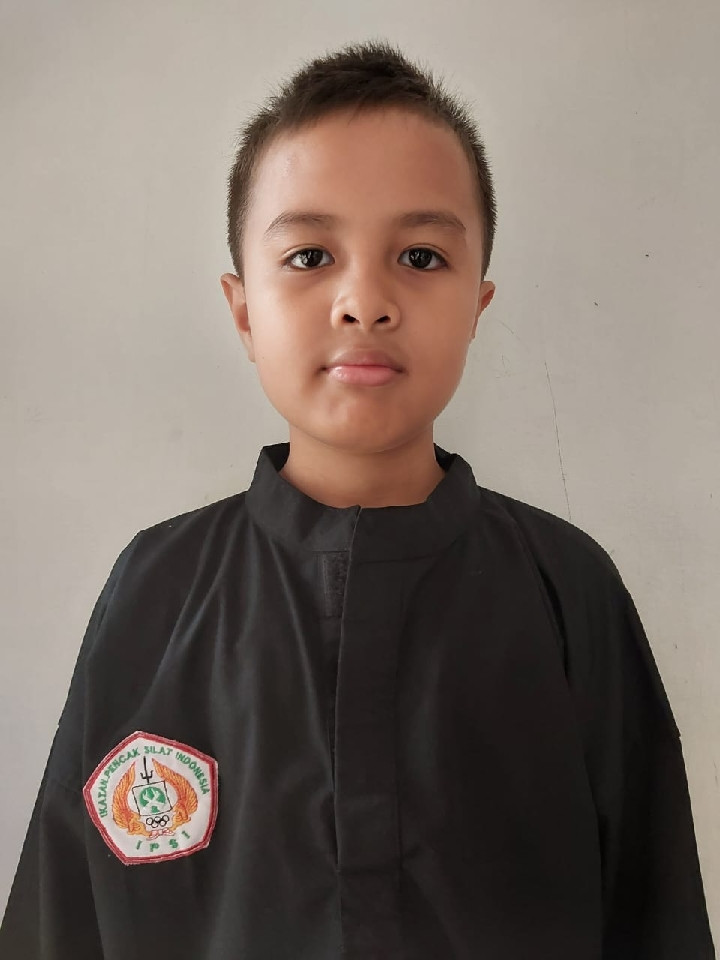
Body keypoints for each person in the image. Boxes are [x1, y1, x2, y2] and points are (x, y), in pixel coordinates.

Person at [0, 38, 714, 960]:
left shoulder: (568, 591)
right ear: (244, 309)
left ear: (478, 304)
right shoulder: (156, 590)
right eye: (309, 254)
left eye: (420, 255)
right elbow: (61, 919)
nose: (364, 301)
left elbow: (656, 914)